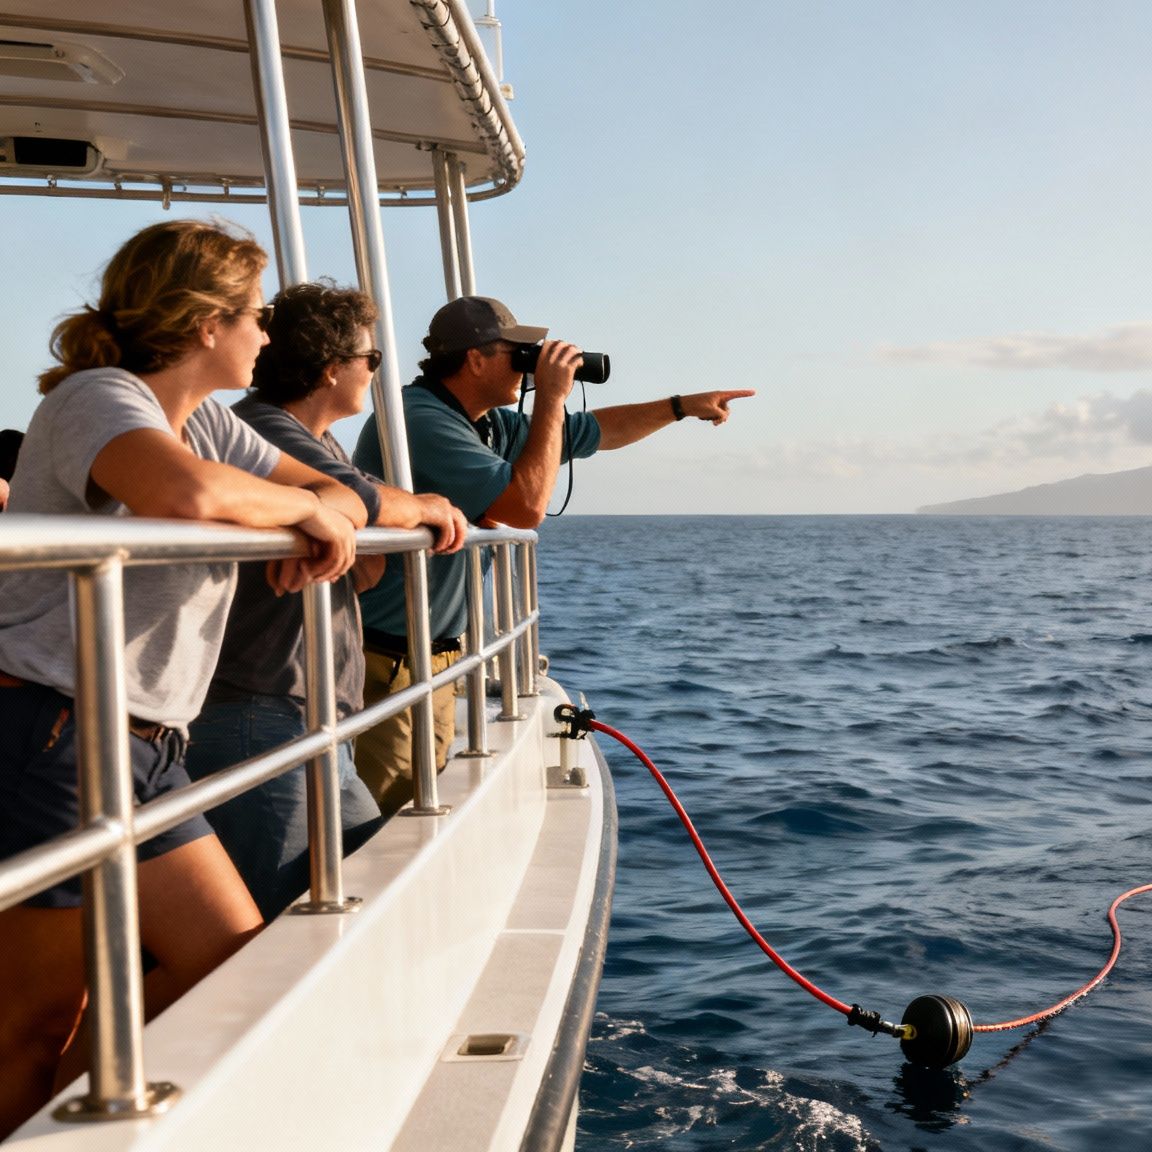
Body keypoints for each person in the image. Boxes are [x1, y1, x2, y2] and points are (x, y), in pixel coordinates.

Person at [0, 220, 360, 1133]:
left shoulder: (200, 421)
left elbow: (343, 494)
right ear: (208, 323)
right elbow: (187, 497)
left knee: (234, 958)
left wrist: (325, 513)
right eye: (258, 315)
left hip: (142, 743)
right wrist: (298, 516)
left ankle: (51, 1111)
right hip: (57, 730)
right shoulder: (99, 397)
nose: (268, 334)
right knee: (35, 1019)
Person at [349, 296, 752, 814]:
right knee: (387, 821)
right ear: (474, 359)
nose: (529, 362)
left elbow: (597, 433)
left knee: (415, 802)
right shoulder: (422, 420)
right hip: (390, 658)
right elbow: (526, 508)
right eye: (516, 351)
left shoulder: (484, 422)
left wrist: (679, 407)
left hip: (429, 653)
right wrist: (551, 400)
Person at [184, 281, 469, 920]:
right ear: (330, 367)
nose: (376, 372)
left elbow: (355, 525)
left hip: (308, 714)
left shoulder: (310, 440)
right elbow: (365, 503)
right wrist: (419, 506)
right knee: (279, 924)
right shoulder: (267, 431)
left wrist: (357, 529)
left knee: (361, 889)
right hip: (259, 714)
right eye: (370, 359)